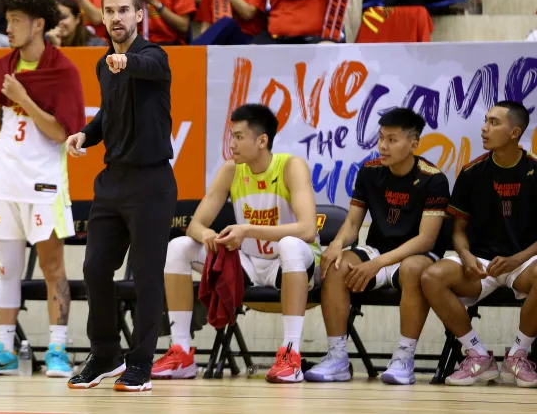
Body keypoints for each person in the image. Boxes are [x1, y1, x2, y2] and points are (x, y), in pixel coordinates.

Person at [0, 0, 85, 378]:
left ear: (38, 25)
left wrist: (24, 97)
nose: (9, 28)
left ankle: (56, 349)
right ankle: (2, 349)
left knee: (53, 269)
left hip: (44, 185)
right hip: (3, 184)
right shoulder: (3, 65)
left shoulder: (63, 70)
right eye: (8, 20)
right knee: (7, 270)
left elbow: (60, 133)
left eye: (16, 20)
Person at [154, 104, 319, 383]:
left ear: (262, 140)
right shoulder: (231, 171)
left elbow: (307, 229)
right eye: (231, 136)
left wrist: (247, 229)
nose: (232, 144)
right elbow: (195, 224)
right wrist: (206, 235)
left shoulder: (291, 166)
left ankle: (291, 354)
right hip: (249, 264)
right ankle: (181, 351)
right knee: (179, 247)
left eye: (239, 137)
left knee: (290, 244)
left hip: (293, 263)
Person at [65, 0, 177, 392]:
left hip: (151, 182)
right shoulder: (102, 65)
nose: (116, 18)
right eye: (109, 11)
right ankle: (105, 353)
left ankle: (141, 363)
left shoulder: (154, 57)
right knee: (95, 267)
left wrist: (124, 61)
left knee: (147, 275)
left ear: (139, 15)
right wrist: (85, 134)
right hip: (111, 181)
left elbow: (145, 68)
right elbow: (107, 115)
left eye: (124, 10)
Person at [305, 107, 451, 385]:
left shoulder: (434, 179)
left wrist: (378, 264)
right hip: (377, 252)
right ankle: (336, 358)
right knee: (336, 266)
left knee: (412, 269)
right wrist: (336, 244)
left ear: (413, 144)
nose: (383, 146)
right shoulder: (370, 172)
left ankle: (403, 360)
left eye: (392, 139)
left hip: (417, 255)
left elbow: (426, 240)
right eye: (381, 138)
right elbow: (352, 224)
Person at [422, 101, 537, 387]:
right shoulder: (472, 172)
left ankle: (518, 355)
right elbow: (458, 229)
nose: (484, 128)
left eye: (494, 122)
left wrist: (515, 259)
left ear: (515, 132)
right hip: (481, 264)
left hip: (523, 262)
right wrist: (465, 253)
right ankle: (477, 355)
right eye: (485, 121)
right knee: (431, 276)